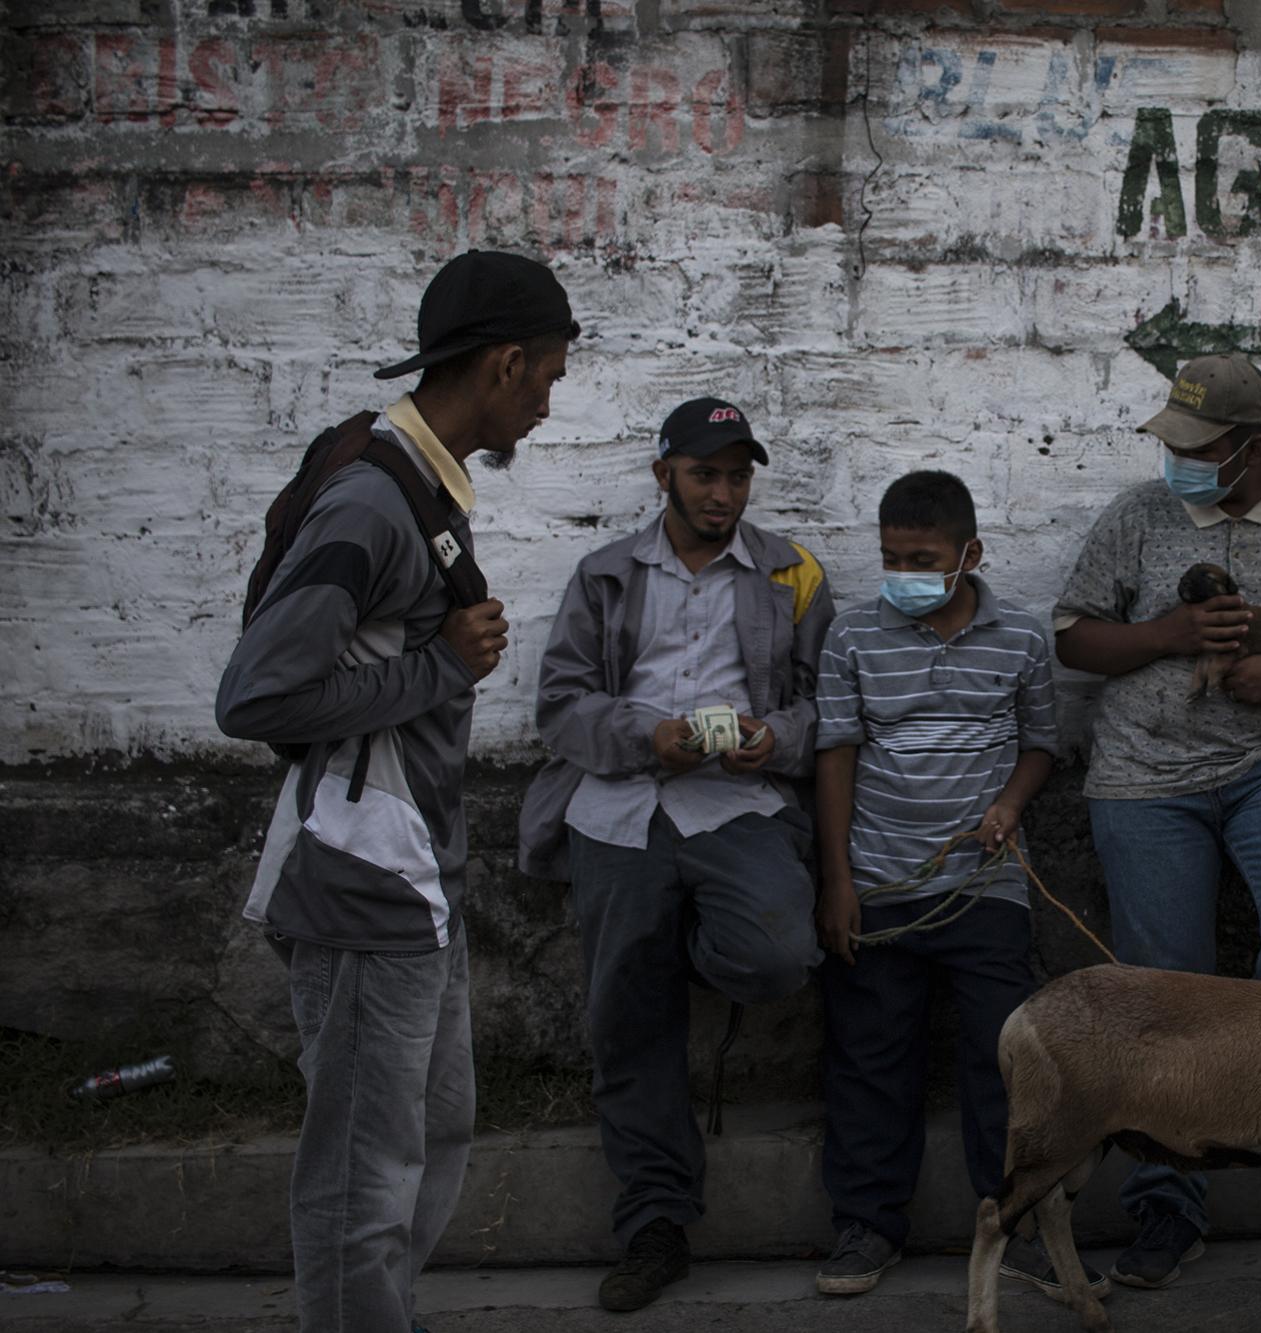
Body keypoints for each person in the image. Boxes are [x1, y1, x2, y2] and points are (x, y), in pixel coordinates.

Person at [216, 249, 576, 1332]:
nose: (551, 405)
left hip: (415, 874)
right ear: (505, 364)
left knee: (433, 1134)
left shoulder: (420, 482)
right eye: (549, 377)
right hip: (362, 882)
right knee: (362, 1177)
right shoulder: (373, 502)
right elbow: (257, 696)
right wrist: (441, 667)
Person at [1052, 353, 1261, 1287]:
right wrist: (1168, 636)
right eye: (1176, 444)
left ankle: (1254, 1073)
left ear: (1253, 446)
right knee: (1161, 995)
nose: (1181, 463)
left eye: (1201, 449)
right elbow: (1072, 633)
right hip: (1141, 776)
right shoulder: (1137, 516)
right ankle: (1170, 1205)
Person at [517, 397, 829, 1312]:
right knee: (624, 1022)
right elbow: (562, 702)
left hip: (737, 800)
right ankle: (655, 1221)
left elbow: (828, 702)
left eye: (737, 475)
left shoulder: (790, 573)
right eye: (704, 474)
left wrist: (778, 738)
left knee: (777, 954)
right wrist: (647, 737)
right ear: (665, 475)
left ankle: (671, 948)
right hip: (619, 806)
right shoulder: (606, 575)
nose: (723, 492)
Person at [811, 470, 1099, 1300]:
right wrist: (838, 881)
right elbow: (835, 753)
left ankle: (1010, 1219)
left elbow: (1041, 743)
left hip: (987, 886)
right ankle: (866, 1224)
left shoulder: (1017, 640)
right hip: (879, 881)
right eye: (890, 557)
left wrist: (1009, 805)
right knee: (868, 1054)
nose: (903, 572)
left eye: (922, 558)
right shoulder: (852, 637)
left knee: (1002, 1055)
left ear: (970, 554)